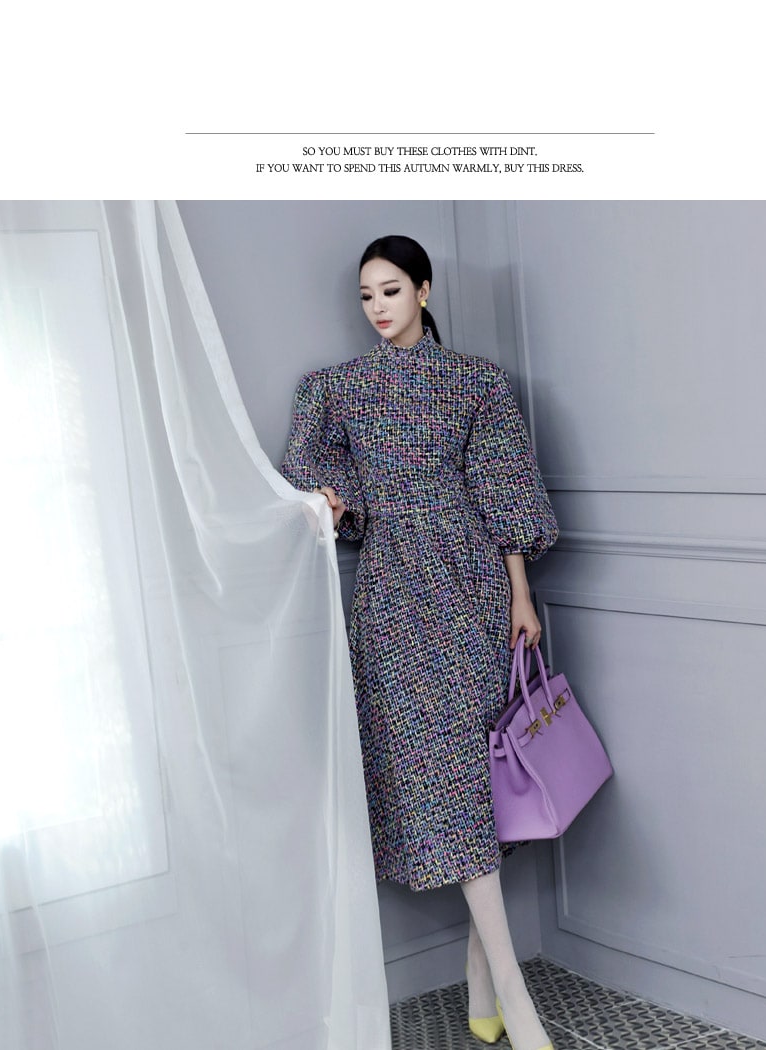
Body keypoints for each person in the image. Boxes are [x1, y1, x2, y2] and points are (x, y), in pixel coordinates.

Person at [282, 235, 558, 1050]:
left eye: (392, 290)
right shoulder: (337, 389)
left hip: (473, 587)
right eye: (367, 294)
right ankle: (512, 989)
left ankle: (482, 973)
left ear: (425, 290)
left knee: (482, 773)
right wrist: (334, 499)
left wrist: (519, 595)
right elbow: (310, 472)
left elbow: (504, 489)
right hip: (393, 597)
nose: (378, 307)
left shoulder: (476, 383)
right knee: (445, 779)